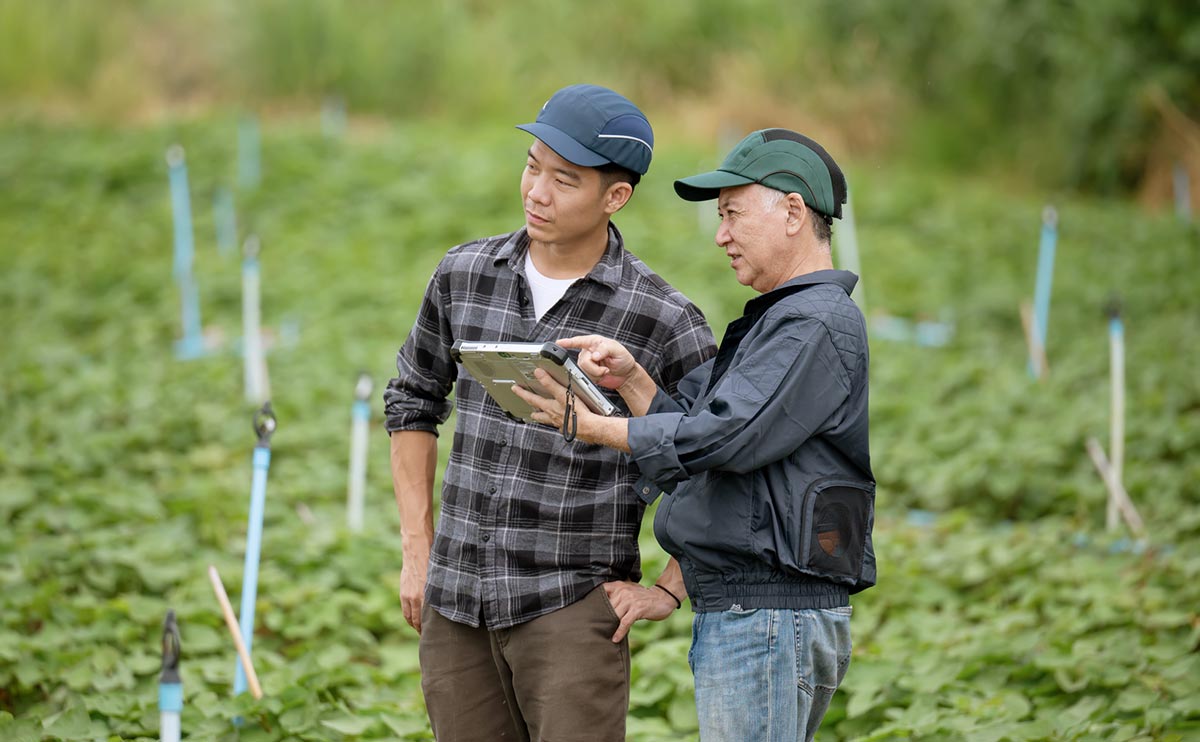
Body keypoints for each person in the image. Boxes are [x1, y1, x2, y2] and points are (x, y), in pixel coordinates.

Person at [515, 128, 876, 742]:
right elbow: (706, 428)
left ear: (792, 211)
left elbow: (723, 437)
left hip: (767, 615)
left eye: (732, 214)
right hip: (746, 611)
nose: (721, 235)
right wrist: (632, 380)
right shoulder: (781, 320)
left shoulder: (814, 323)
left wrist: (596, 428)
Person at [382, 83, 716, 742]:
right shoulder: (465, 274)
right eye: (532, 166)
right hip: (455, 607)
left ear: (615, 196)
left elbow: (715, 459)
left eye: (563, 180)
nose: (536, 190)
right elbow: (412, 399)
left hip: (569, 611)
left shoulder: (662, 318)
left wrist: (671, 588)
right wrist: (418, 550)